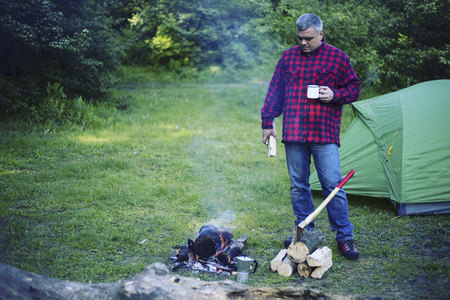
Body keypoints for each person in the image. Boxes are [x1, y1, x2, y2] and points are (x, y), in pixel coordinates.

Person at [261, 13, 360, 260]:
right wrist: (267, 122)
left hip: (323, 133)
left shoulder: (338, 57)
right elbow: (275, 90)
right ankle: (306, 233)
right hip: (294, 133)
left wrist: (335, 94)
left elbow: (354, 88)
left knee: (332, 186)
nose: (303, 43)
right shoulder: (288, 57)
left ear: (320, 34)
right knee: (298, 185)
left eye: (308, 38)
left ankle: (344, 237)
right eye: (300, 38)